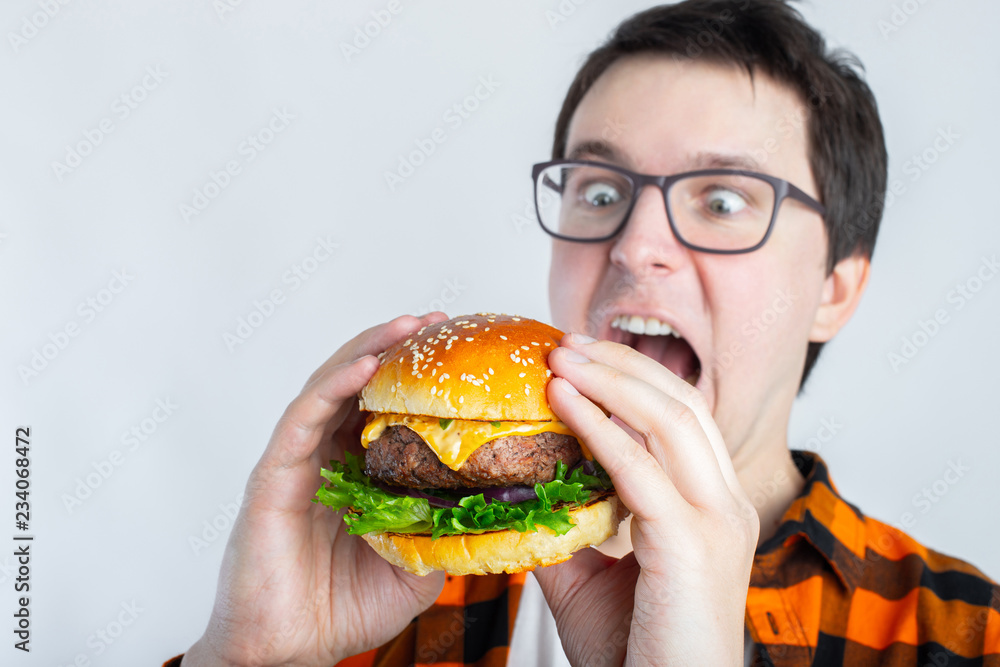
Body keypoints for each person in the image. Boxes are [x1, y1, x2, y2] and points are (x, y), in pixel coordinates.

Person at [166, 1, 1000, 665]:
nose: (635, 245)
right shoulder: (389, 595)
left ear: (835, 289)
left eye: (721, 200)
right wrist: (246, 659)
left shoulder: (961, 636)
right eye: (599, 192)